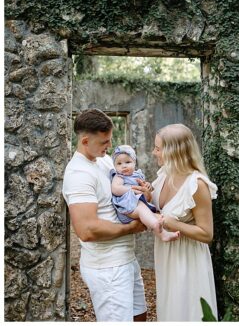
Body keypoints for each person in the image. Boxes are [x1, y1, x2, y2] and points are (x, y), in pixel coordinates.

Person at [62, 110, 149, 321]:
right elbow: (87, 230)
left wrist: (142, 190)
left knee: (140, 317)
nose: (109, 147)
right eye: (104, 142)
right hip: (107, 268)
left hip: (126, 258)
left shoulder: (105, 161)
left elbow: (124, 188)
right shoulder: (79, 174)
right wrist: (132, 228)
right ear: (85, 140)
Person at [151, 124, 217, 321]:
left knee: (186, 311)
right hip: (165, 255)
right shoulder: (163, 175)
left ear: (173, 151)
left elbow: (207, 234)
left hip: (187, 260)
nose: (154, 152)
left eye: (157, 148)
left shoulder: (196, 185)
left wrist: (174, 223)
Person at [109, 144, 178, 243]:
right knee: (142, 209)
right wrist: (131, 189)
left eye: (128, 162)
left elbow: (144, 189)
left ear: (134, 162)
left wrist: (147, 186)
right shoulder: (119, 177)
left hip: (135, 204)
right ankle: (162, 233)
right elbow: (115, 189)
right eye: (119, 164)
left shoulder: (137, 175)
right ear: (115, 166)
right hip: (126, 206)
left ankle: (161, 232)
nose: (123, 166)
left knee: (147, 212)